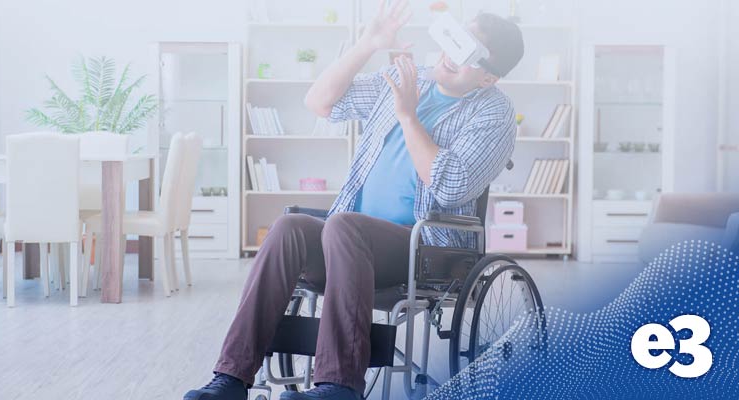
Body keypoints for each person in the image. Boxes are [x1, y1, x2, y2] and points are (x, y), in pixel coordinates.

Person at [184, 1, 524, 399]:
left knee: (344, 227)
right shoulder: (408, 77)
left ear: (488, 77)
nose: (452, 54)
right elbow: (320, 102)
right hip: (347, 240)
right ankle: (231, 378)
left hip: (424, 248)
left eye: (470, 54)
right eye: (457, 41)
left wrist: (408, 116)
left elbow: (449, 186)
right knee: (289, 227)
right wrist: (367, 44)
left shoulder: (494, 113)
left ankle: (339, 386)